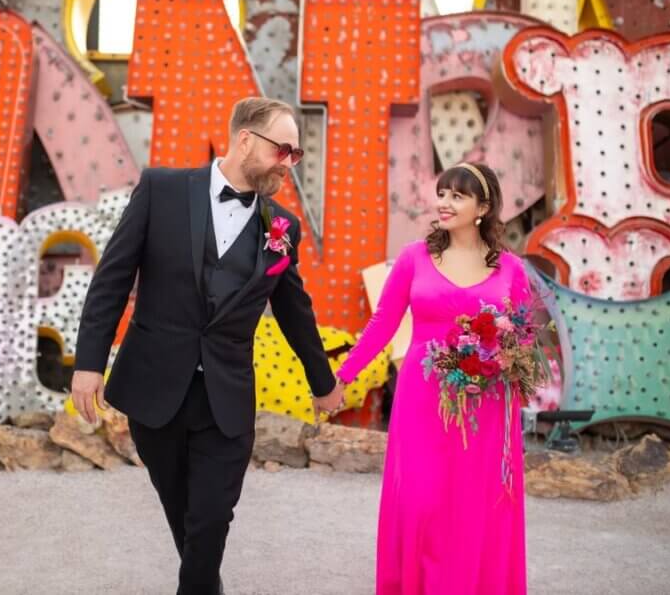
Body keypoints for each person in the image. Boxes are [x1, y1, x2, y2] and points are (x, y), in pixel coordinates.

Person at [72, 96, 345, 595]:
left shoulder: (283, 227)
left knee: (212, 518)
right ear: (245, 139)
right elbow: (113, 277)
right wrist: (89, 362)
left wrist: (323, 381)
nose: (289, 164)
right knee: (184, 514)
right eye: (282, 150)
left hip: (226, 396)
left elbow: (294, 310)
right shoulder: (163, 188)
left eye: (296, 155)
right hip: (155, 387)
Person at [335, 162, 532, 594]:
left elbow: (523, 336)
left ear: (483, 207)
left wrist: (500, 364)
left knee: (474, 507)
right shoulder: (414, 258)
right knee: (421, 502)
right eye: (442, 193)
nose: (444, 203)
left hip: (486, 402)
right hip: (422, 400)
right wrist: (342, 377)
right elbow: (383, 324)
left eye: (458, 196)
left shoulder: (512, 270)